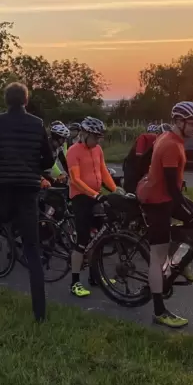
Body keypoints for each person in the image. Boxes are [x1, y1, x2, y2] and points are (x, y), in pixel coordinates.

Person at [0, 82, 54, 322]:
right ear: (26, 100)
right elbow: (47, 160)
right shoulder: (37, 124)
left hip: (2, 190)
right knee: (32, 250)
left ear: (6, 101)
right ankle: (40, 313)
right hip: (28, 192)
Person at [136, 101, 193, 328]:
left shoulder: (171, 138)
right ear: (178, 121)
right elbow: (171, 188)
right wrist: (188, 212)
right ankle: (159, 311)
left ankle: (178, 262)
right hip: (157, 201)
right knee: (157, 257)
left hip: (165, 196)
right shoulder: (170, 145)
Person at [66, 117, 124, 298]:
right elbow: (75, 179)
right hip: (81, 198)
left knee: (99, 238)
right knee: (82, 240)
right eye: (95, 137)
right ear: (84, 134)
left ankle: (95, 277)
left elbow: (104, 171)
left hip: (95, 196)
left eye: (100, 137)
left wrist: (116, 190)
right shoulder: (73, 151)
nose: (98, 140)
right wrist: (94, 194)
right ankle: (75, 282)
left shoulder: (97, 149)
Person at [123, 124, 159, 194]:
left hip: (134, 164)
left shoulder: (144, 137)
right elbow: (139, 155)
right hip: (136, 163)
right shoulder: (145, 137)